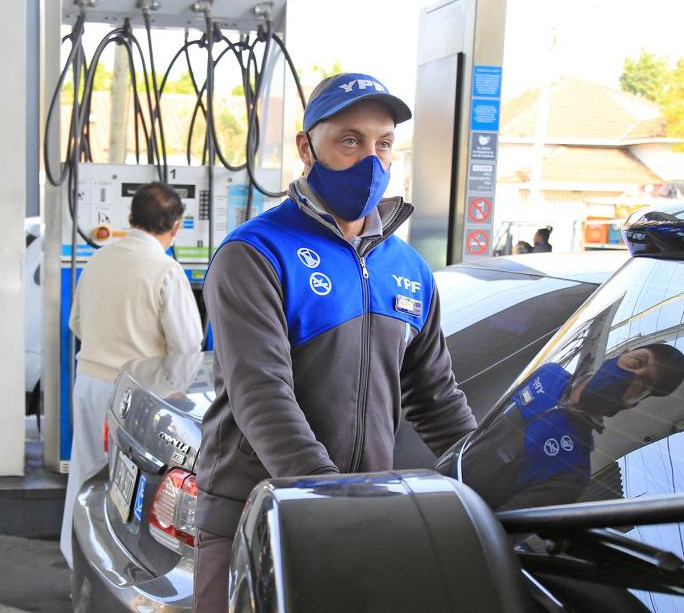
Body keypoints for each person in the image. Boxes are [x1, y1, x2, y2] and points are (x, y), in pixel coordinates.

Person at [193, 73, 477, 610]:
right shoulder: (255, 254)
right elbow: (262, 394)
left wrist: (494, 475)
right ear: (307, 147)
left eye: (384, 143)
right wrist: (328, 498)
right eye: (350, 140)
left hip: (362, 516)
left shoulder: (409, 269)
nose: (371, 159)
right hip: (256, 514)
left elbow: (437, 399)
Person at [60, 182, 203, 566]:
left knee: (86, 475)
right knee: (126, 489)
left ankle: (77, 564)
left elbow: (76, 323)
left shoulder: (98, 260)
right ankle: (116, 570)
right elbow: (189, 345)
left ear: (130, 219)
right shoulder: (165, 270)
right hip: (136, 393)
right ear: (175, 227)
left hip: (89, 381)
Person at [446, 344, 684, 511]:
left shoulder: (573, 472)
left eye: (643, 382)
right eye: (637, 362)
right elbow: (479, 429)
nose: (632, 376)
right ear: (623, 353)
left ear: (632, 405)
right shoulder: (548, 374)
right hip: (430, 480)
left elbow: (494, 536)